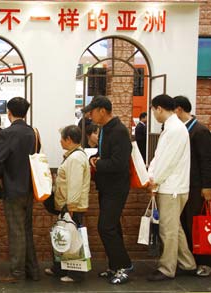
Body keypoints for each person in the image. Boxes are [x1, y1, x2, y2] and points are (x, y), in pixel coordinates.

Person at [0, 97, 40, 283]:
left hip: (12, 187)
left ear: (9, 112)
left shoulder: (6, 134)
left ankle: (16, 273)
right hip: (30, 187)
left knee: (16, 231)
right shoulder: (33, 132)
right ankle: (32, 270)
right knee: (26, 228)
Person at [82, 96, 133, 284]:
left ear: (102, 111)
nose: (90, 115)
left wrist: (99, 163)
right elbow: (104, 154)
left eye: (92, 111)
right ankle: (115, 266)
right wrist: (94, 158)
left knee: (106, 227)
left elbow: (119, 163)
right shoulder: (105, 129)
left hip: (116, 188)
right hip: (106, 186)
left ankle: (123, 267)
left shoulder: (119, 131)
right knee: (112, 227)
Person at [147, 94, 197, 281]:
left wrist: (155, 180)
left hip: (172, 188)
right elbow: (160, 157)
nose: (153, 114)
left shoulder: (175, 129)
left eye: (153, 110)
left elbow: (167, 161)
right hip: (172, 186)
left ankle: (167, 269)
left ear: (159, 108)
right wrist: (153, 175)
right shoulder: (173, 128)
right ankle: (187, 264)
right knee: (175, 228)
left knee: (167, 230)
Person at [45, 125, 90, 283]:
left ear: (69, 139)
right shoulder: (73, 156)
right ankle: (60, 268)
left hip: (72, 207)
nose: (60, 141)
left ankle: (75, 274)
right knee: (63, 237)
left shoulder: (76, 158)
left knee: (72, 240)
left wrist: (70, 206)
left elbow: (75, 184)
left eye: (62, 138)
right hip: (67, 206)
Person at [174, 95, 211, 277]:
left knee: (198, 224)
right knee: (186, 223)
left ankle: (204, 262)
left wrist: (207, 186)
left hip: (197, 187)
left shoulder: (200, 131)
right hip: (184, 184)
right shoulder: (181, 130)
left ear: (179, 110)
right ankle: (190, 260)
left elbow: (206, 160)